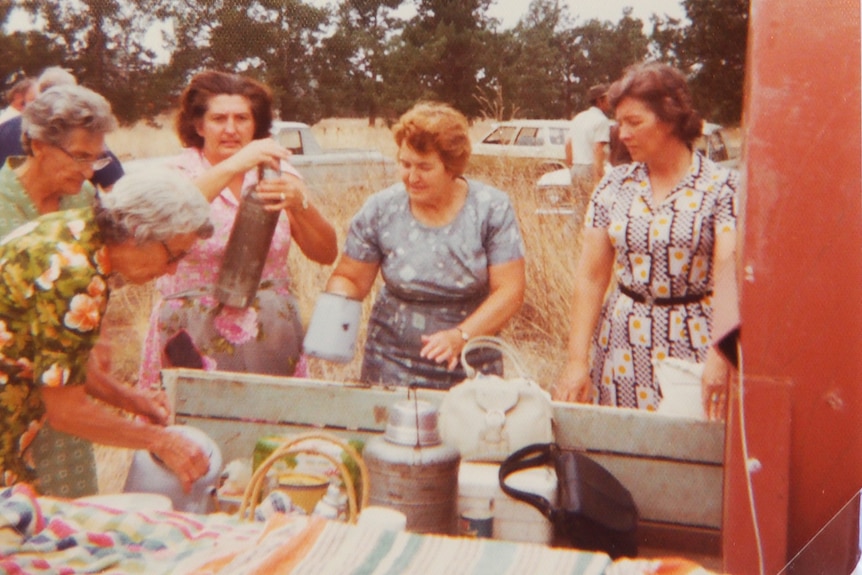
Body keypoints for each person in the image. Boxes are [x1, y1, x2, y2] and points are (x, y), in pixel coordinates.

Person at [0, 82, 172, 497]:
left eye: (96, 159)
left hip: (63, 385)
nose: (88, 171)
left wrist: (102, 337)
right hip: (11, 392)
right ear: (38, 144)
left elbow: (91, 283)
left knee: (67, 506)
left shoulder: (85, 202)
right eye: (79, 156)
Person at [0, 168, 215, 493]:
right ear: (135, 231)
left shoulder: (79, 233)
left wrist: (134, 401)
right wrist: (160, 441)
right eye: (174, 256)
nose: (172, 270)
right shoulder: (73, 275)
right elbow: (67, 412)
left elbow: (63, 365)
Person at [554, 63, 738, 422]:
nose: (623, 134)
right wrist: (577, 361)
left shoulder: (720, 187)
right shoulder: (613, 186)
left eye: (634, 122)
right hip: (621, 344)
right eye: (619, 123)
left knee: (686, 455)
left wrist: (721, 355)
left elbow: (728, 278)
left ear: (670, 116)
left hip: (693, 346)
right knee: (620, 451)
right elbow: (591, 279)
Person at [138, 70, 337, 390]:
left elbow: (326, 253)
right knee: (192, 428)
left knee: (270, 431)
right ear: (199, 125)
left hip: (269, 331)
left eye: (242, 118)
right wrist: (236, 163)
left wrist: (301, 203)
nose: (231, 129)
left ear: (256, 125)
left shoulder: (277, 171)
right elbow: (169, 222)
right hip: (190, 331)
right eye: (219, 118)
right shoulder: (175, 174)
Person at [322, 102, 526, 389]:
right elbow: (351, 278)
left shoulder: (491, 209)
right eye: (405, 164)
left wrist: (461, 336)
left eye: (424, 167)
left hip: (470, 360)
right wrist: (336, 307)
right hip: (391, 361)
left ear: (452, 167)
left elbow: (510, 291)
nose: (411, 177)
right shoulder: (381, 209)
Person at [0, 67, 124, 190]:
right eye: (81, 157)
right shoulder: (78, 131)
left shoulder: (4, 128)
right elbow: (115, 186)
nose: (89, 173)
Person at [565, 83, 611, 191]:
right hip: (590, 169)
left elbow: (568, 144)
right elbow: (598, 149)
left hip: (576, 168)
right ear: (600, 100)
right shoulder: (601, 120)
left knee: (579, 206)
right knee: (593, 205)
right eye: (608, 98)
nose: (610, 102)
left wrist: (572, 167)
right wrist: (600, 175)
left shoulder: (579, 117)